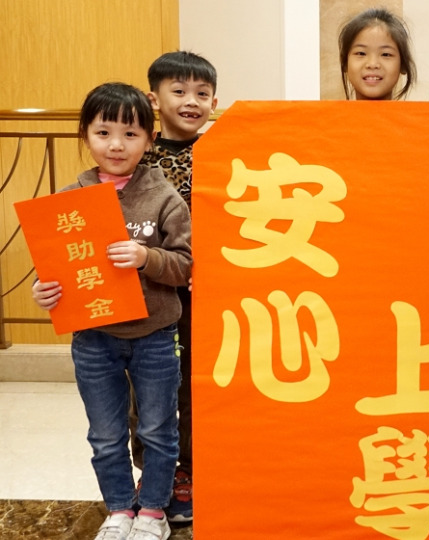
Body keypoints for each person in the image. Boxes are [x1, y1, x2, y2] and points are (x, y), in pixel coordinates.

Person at [32, 82, 192, 540]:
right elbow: (56, 271)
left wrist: (147, 258)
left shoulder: (164, 197)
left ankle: (153, 511)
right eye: (104, 133)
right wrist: (46, 292)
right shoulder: (68, 200)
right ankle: (120, 508)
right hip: (93, 337)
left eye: (131, 134)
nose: (116, 145)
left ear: (149, 139)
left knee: (158, 430)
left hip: (155, 335)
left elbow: (185, 266)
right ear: (85, 135)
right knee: (104, 434)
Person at [129, 50, 217, 526]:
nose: (191, 101)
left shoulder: (225, 151)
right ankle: (153, 470)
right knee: (148, 387)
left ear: (214, 102)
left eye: (202, 93)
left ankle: (191, 470)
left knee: (195, 384)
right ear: (153, 99)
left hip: (208, 292)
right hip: (150, 292)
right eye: (178, 91)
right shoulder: (137, 156)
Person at [338, 7, 416, 100]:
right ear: (344, 62)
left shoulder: (425, 110)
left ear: (403, 64)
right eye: (361, 53)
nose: (372, 64)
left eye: (385, 54)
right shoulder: (325, 110)